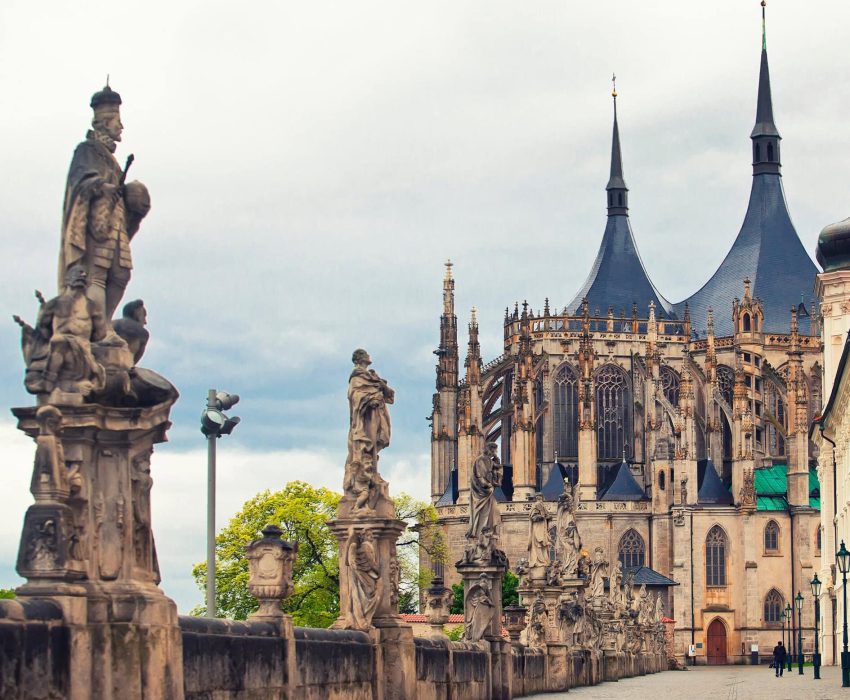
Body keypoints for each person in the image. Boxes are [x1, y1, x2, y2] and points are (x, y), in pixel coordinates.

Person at [60, 84, 150, 335]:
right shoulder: (87, 150)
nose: (121, 127)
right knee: (97, 274)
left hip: (116, 221)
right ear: (104, 121)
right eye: (117, 121)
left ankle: (104, 322)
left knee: (120, 274)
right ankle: (98, 330)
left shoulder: (110, 158)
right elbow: (81, 181)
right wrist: (103, 187)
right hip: (97, 222)